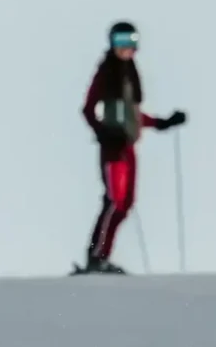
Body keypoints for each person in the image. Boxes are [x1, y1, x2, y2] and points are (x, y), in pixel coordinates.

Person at [80, 21, 187, 274]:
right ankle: (95, 256)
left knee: (126, 203)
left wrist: (162, 122)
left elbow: (133, 115)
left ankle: (102, 255)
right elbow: (88, 109)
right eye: (120, 41)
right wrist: (103, 131)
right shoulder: (106, 72)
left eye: (130, 41)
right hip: (113, 147)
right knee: (114, 201)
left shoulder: (130, 73)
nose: (125, 47)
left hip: (128, 145)